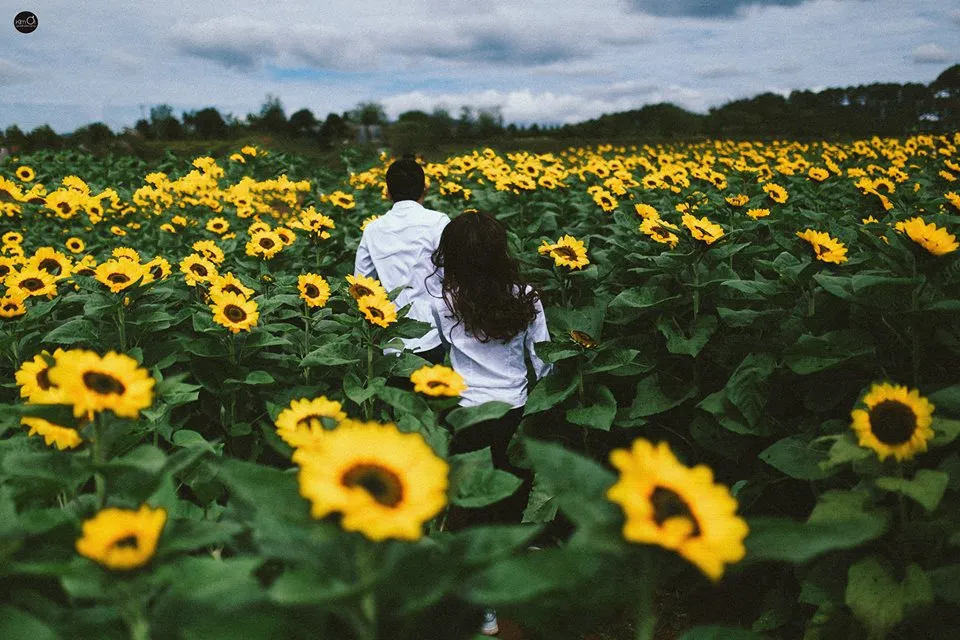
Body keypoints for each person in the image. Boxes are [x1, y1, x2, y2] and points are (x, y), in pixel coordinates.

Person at [429, 210, 552, 637]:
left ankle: (481, 609)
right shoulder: (527, 297)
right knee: (509, 503)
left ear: (454, 255)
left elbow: (434, 353)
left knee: (472, 508)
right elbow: (544, 363)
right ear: (501, 252)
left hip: (468, 414)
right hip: (515, 413)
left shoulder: (444, 301)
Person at [354, 155, 449, 363]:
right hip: (434, 333)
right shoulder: (438, 222)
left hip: (391, 339)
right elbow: (452, 275)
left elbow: (361, 284)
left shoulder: (372, 230)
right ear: (425, 189)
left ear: (387, 192)